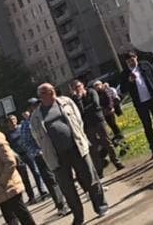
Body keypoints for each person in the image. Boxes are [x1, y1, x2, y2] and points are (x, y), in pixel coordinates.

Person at [28, 83, 108, 224]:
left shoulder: (66, 102)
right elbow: (37, 136)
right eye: (47, 92)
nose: (52, 93)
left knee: (91, 178)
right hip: (56, 156)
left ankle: (101, 207)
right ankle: (78, 217)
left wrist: (79, 138)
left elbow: (78, 120)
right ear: (41, 96)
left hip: (76, 148)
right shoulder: (35, 117)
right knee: (68, 189)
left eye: (52, 90)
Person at [6, 114, 62, 212]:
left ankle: (43, 191)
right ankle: (31, 196)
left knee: (36, 172)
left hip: (29, 153)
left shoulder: (21, 128)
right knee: (24, 177)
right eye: (11, 120)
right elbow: (9, 146)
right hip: (19, 156)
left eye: (14, 119)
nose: (13, 121)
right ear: (8, 123)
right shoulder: (8, 134)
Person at [69, 79, 124, 176]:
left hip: (99, 121)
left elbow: (96, 104)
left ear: (82, 85)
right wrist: (79, 99)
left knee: (107, 142)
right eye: (75, 88)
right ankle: (99, 170)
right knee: (93, 148)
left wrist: (86, 111)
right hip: (88, 125)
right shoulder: (75, 99)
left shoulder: (92, 92)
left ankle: (117, 162)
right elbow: (79, 112)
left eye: (79, 86)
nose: (78, 89)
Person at [118, 51, 153, 157]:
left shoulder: (145, 65)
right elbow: (122, 89)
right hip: (140, 103)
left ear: (136, 57)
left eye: (132, 60)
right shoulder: (124, 74)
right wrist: (129, 81)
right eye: (128, 61)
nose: (131, 63)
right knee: (147, 125)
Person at [93, 82, 126, 148]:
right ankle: (117, 136)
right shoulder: (97, 94)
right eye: (96, 86)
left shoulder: (105, 91)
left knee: (113, 124)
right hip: (104, 111)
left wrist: (111, 107)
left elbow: (110, 99)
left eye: (98, 85)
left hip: (109, 110)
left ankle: (120, 136)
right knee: (110, 124)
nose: (97, 87)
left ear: (101, 85)